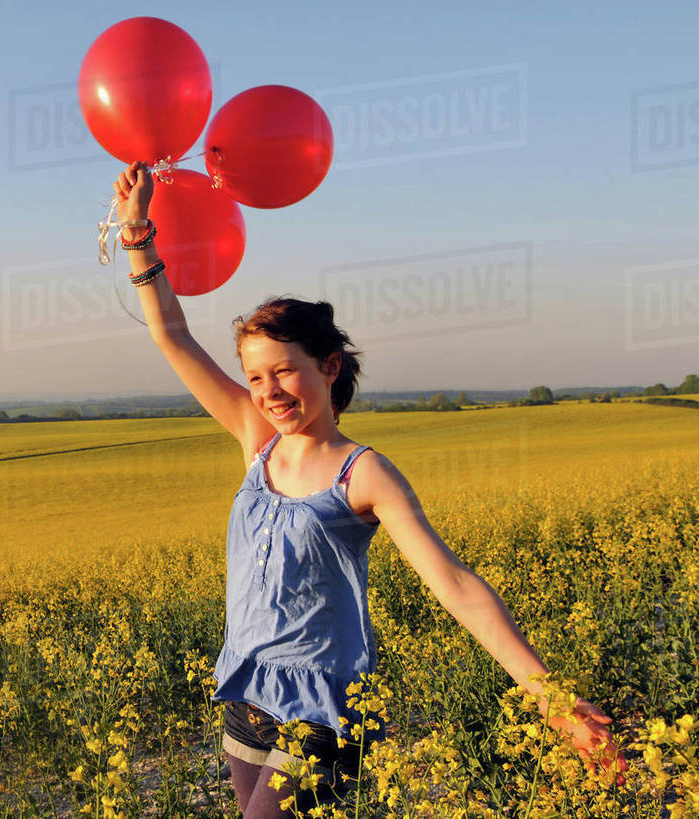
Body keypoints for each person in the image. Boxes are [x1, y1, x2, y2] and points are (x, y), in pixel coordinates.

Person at [110, 161, 627, 816]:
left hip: (324, 709)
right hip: (247, 695)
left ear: (327, 368)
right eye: (256, 376)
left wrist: (548, 696)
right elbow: (171, 333)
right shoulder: (254, 437)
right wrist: (137, 234)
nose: (268, 392)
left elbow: (457, 585)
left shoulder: (364, 472)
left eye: (284, 372)